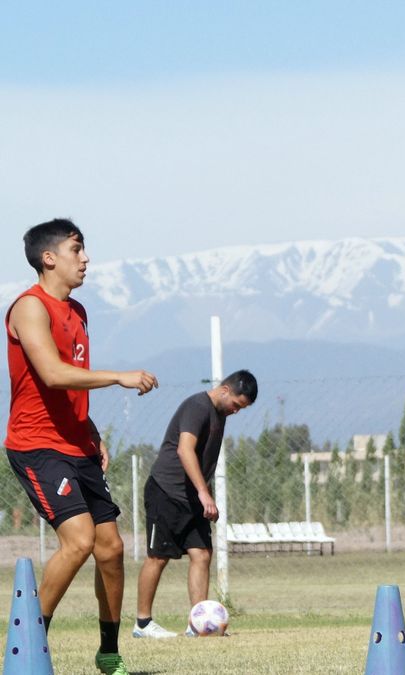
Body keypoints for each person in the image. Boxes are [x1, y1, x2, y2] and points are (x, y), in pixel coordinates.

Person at [5, 219, 159, 675]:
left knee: (110, 549)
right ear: (48, 258)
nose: (86, 258)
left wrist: (89, 428)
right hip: (36, 446)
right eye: (77, 249)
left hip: (76, 446)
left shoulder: (80, 312)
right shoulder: (28, 309)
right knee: (79, 540)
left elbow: (67, 387)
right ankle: (27, 650)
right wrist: (119, 375)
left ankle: (108, 653)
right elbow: (51, 373)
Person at [132, 370, 257, 638]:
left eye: (241, 408)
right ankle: (142, 623)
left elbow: (202, 461)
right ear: (225, 390)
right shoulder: (197, 406)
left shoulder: (220, 415)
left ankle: (198, 625)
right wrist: (204, 493)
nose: (236, 411)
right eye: (236, 404)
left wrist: (204, 493)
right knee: (158, 557)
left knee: (201, 554)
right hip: (166, 491)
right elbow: (184, 449)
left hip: (193, 497)